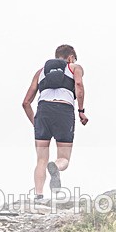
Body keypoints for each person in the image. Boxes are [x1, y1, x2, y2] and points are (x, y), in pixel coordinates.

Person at [21, 44, 88, 198]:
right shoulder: (74, 67)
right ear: (71, 57)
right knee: (64, 158)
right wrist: (81, 110)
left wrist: (36, 123)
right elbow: (78, 85)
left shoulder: (40, 72)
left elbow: (25, 103)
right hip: (63, 111)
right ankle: (56, 166)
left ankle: (38, 195)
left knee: (41, 160)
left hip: (43, 111)